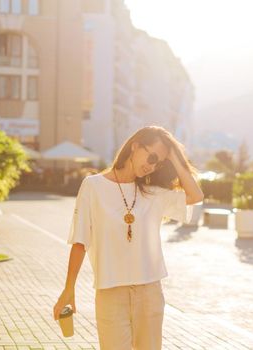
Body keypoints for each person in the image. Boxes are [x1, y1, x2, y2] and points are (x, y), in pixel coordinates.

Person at [53, 126, 204, 349]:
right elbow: (80, 241)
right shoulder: (93, 186)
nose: (151, 166)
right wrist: (69, 289)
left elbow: (196, 195)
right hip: (110, 291)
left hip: (149, 291)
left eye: (158, 163)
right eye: (151, 156)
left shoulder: (153, 193)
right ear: (135, 146)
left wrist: (173, 155)